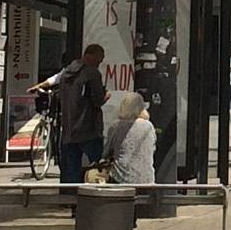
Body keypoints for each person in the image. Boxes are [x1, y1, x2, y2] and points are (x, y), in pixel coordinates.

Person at [29, 44, 108, 185]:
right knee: (98, 164)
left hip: (68, 129)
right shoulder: (92, 74)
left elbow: (54, 80)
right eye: (98, 60)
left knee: (70, 170)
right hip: (89, 128)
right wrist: (105, 97)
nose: (99, 63)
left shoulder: (66, 73)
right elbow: (97, 100)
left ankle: (68, 199)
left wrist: (39, 86)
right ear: (90, 56)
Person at [105, 93, 159, 185]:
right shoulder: (149, 126)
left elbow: (107, 152)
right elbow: (152, 149)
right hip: (146, 180)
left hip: (121, 180)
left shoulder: (116, 126)